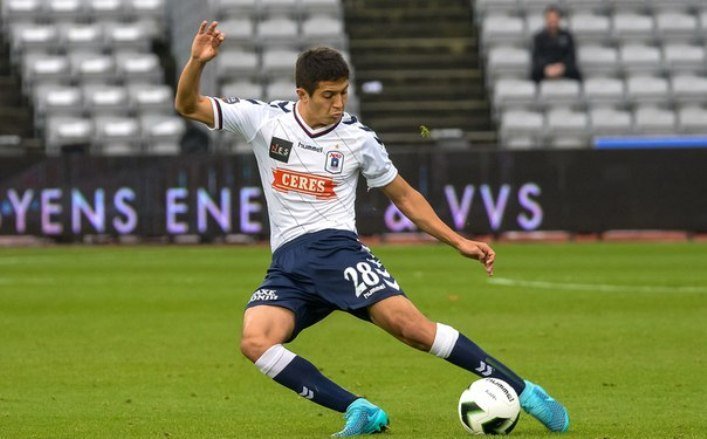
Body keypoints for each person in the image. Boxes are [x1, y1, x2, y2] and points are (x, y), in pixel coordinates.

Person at [175, 21, 570, 437]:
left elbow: (405, 196)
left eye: (343, 93)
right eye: (328, 95)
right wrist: (197, 62)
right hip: (288, 264)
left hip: (337, 252)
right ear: (302, 94)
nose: (338, 104)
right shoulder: (264, 120)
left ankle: (525, 391)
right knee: (255, 341)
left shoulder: (358, 139)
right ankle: (361, 410)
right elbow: (188, 105)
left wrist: (458, 241)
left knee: (414, 331)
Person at [531, 5, 582, 83]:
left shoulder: (567, 36)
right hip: (545, 69)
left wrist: (561, 68)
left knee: (575, 73)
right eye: (549, 17)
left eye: (555, 17)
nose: (552, 20)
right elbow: (537, 57)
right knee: (535, 73)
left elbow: (571, 56)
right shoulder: (539, 37)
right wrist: (547, 68)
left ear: (559, 18)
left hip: (563, 68)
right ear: (546, 19)